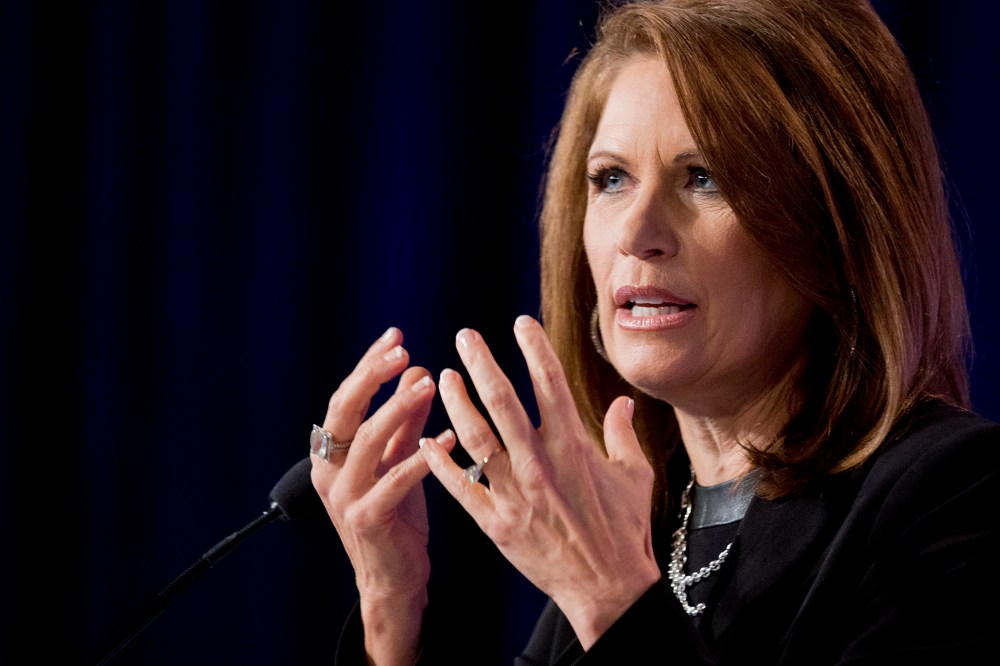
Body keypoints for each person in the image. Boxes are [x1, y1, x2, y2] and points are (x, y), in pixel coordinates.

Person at [307, 0, 1000, 663]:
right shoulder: (647, 516)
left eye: (704, 177)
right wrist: (391, 611)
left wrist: (610, 600)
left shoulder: (957, 493)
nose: (636, 233)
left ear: (835, 225)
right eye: (611, 179)